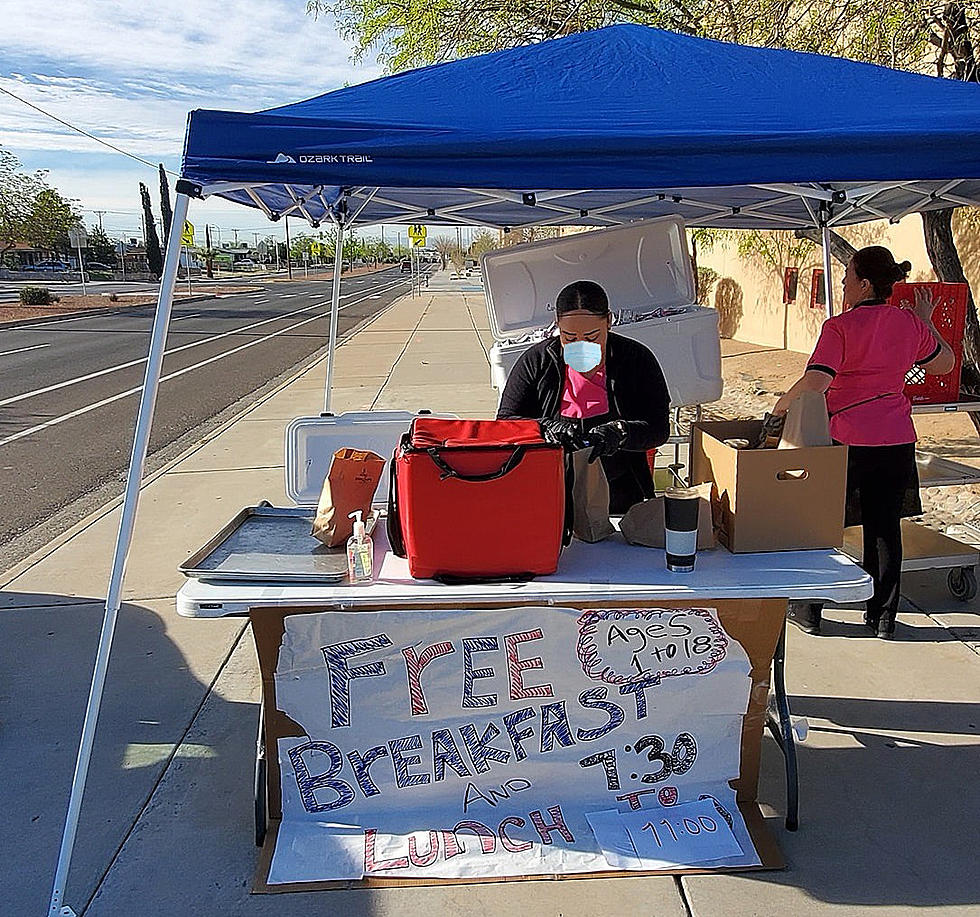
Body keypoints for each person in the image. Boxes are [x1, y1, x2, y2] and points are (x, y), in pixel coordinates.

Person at [773, 246, 954, 638]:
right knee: (884, 529)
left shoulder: (839, 327)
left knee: (821, 525)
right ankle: (883, 618)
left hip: (846, 440)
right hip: (896, 439)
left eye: (847, 277)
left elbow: (818, 381)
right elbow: (944, 364)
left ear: (864, 284)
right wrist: (927, 322)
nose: (841, 284)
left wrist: (782, 403)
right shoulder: (909, 325)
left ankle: (809, 610)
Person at [497, 279, 671, 514]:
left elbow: (658, 428)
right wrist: (545, 428)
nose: (581, 347)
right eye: (569, 337)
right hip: (549, 490)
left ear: (609, 321)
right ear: (557, 325)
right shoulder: (536, 361)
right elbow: (505, 421)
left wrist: (620, 432)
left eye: (591, 337)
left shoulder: (637, 359)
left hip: (622, 493)